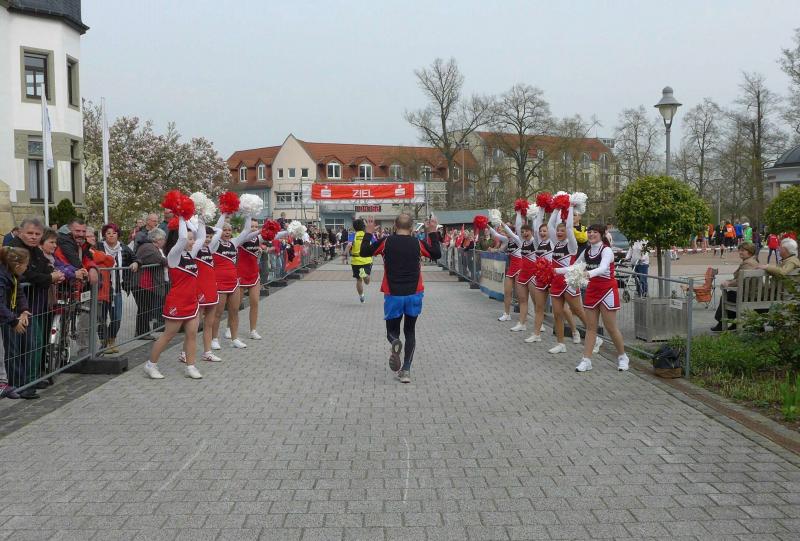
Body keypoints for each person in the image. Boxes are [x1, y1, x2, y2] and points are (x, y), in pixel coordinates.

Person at [358, 214, 441, 384]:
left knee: (392, 331)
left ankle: (395, 341)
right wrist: (432, 232)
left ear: (395, 226)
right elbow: (437, 254)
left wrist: (369, 232)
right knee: (410, 331)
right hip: (414, 293)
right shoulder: (417, 243)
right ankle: (406, 370)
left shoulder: (386, 242)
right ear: (412, 228)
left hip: (393, 294)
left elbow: (364, 252)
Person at [555, 224, 629, 373]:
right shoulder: (587, 251)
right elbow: (575, 266)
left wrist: (588, 274)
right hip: (592, 290)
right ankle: (586, 360)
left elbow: (603, 268)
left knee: (610, 327)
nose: (591, 234)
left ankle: (622, 356)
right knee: (590, 328)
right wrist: (556, 270)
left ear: (601, 235)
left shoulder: (606, 250)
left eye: (595, 232)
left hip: (607, 290)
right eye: (589, 232)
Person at [143, 217, 205, 380]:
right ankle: (151, 365)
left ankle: (190, 366)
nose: (193, 242)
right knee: (168, 335)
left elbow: (202, 238)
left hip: (192, 301)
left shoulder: (189, 254)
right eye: (190, 239)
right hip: (177, 302)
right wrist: (182, 217)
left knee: (192, 334)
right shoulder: (173, 256)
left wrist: (202, 219)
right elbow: (183, 238)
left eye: (192, 239)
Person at [11, 219, 67, 396]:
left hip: (36, 303)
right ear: (20, 232)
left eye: (37, 234)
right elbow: (25, 275)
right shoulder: (15, 249)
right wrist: (49, 278)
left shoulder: (35, 250)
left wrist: (53, 275)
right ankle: (24, 383)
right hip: (19, 306)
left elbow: (44, 268)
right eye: (30, 233)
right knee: (27, 344)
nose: (33, 237)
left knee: (36, 343)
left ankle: (32, 377)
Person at [547, 205, 596, 354]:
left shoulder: (572, 245)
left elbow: (569, 227)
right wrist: (556, 207)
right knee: (557, 314)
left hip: (569, 283)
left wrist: (569, 207)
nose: (559, 232)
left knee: (578, 311)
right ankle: (561, 344)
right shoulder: (556, 243)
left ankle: (596, 339)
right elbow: (549, 225)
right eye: (558, 231)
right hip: (556, 282)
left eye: (562, 231)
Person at [210, 215, 259, 351]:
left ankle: (234, 338)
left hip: (233, 282)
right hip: (220, 283)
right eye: (224, 230)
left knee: (234, 311)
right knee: (218, 313)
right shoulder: (214, 244)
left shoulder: (234, 242)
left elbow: (246, 231)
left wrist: (248, 214)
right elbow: (217, 229)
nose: (227, 232)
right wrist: (224, 214)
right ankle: (214, 339)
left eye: (229, 230)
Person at [95, 223, 138, 354]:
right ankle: (104, 343)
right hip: (101, 289)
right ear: (104, 235)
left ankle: (111, 339)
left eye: (114, 233)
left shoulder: (124, 248)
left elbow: (135, 258)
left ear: (118, 234)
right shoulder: (98, 247)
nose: (111, 235)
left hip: (116, 289)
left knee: (117, 318)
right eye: (108, 233)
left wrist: (136, 263)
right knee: (101, 318)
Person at [0, 246, 31, 398]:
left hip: (5, 316)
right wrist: (13, 320)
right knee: (3, 352)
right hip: (5, 317)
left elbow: (19, 293)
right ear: (18, 265)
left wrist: (24, 309)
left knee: (3, 352)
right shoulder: (2, 276)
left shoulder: (12, 275)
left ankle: (3, 384)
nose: (27, 268)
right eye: (26, 265)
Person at [711, 242, 760, 332]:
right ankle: (734, 323)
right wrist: (730, 282)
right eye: (739, 250)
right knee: (731, 294)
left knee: (726, 296)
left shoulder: (748, 263)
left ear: (750, 252)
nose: (740, 252)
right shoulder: (754, 261)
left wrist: (728, 283)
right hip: (755, 294)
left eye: (743, 250)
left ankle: (721, 323)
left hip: (749, 296)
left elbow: (741, 280)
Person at [232, 219, 264, 341]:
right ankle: (230, 328)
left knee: (255, 302)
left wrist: (290, 231)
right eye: (251, 226)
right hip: (241, 274)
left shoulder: (258, 239)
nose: (254, 228)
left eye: (256, 226)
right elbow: (248, 235)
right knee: (236, 306)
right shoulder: (241, 239)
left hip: (254, 274)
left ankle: (253, 330)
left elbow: (274, 236)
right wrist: (260, 231)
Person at [133, 228, 167, 339]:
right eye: (163, 239)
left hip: (146, 284)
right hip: (143, 284)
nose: (164, 241)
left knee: (145, 308)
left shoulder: (150, 246)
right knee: (144, 308)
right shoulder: (149, 248)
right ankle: (142, 332)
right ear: (157, 239)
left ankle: (143, 332)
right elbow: (160, 260)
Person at [489, 221, 516, 323]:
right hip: (511, 268)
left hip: (520, 269)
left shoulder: (518, 239)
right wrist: (486, 224)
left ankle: (529, 318)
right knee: (507, 292)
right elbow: (496, 234)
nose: (505, 233)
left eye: (507, 231)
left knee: (522, 296)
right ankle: (506, 314)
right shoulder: (507, 240)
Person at [349, 219, 372, 303]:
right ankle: (364, 274)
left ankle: (361, 296)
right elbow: (375, 244)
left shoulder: (352, 235)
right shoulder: (368, 235)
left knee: (359, 280)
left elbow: (349, 245)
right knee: (367, 282)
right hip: (366, 260)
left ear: (354, 227)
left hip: (355, 261)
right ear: (363, 226)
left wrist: (345, 254)